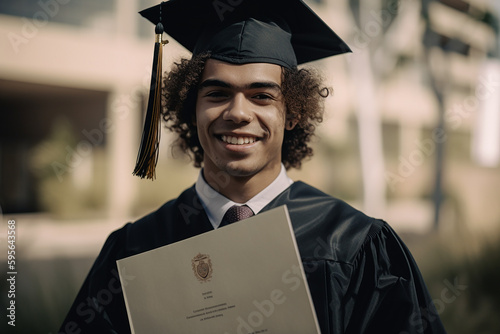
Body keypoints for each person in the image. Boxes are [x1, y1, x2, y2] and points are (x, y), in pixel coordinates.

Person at [59, 0, 446, 333]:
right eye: (217, 93)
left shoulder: (354, 244)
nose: (238, 113)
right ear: (191, 108)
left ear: (292, 112)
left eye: (261, 95)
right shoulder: (134, 250)